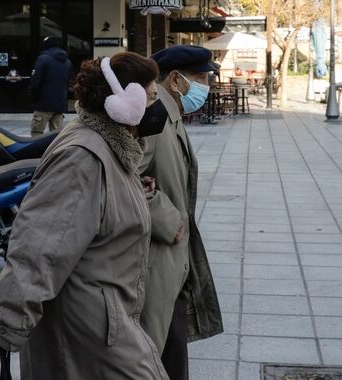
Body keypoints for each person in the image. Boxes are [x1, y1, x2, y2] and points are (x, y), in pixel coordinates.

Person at [0, 52, 170, 380]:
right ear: (123, 103)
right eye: (152, 96)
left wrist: (133, 191)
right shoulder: (83, 157)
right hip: (85, 324)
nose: (157, 108)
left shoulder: (112, 148)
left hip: (105, 317)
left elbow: (94, 211)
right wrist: (12, 320)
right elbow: (39, 243)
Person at [139, 45, 223, 380]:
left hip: (171, 265)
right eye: (201, 78)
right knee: (155, 358)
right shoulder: (154, 117)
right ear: (175, 79)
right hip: (154, 262)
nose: (207, 86)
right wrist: (168, 219)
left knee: (170, 355)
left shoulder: (168, 113)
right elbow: (120, 178)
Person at [29, 36, 72, 136]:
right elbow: (68, 82)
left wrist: (33, 99)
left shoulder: (42, 59)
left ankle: (39, 152)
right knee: (56, 135)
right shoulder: (67, 62)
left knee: (37, 133)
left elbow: (36, 82)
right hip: (60, 103)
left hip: (43, 103)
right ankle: (55, 152)